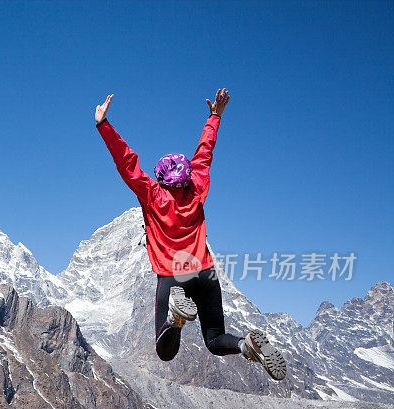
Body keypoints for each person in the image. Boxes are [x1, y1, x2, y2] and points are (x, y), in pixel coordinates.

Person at [94, 89, 286, 381]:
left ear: (160, 177)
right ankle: (245, 345)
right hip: (206, 276)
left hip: (173, 278)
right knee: (215, 339)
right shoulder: (197, 192)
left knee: (165, 351)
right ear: (186, 177)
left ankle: (175, 319)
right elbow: (204, 155)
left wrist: (104, 125)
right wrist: (215, 117)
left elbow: (127, 161)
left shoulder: (152, 194)